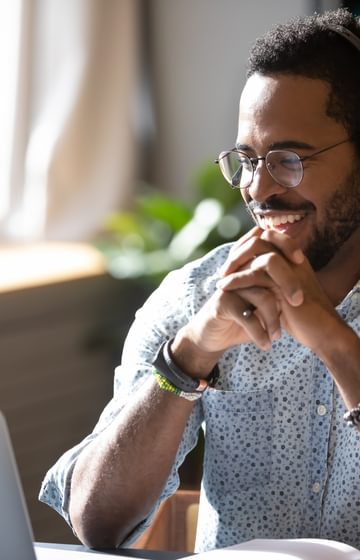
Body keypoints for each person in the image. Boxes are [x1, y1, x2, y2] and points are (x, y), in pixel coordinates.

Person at [39, 8, 360, 553]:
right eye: (247, 160)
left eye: (288, 159)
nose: (258, 190)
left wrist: (334, 342)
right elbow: (96, 523)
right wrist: (188, 356)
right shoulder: (195, 296)